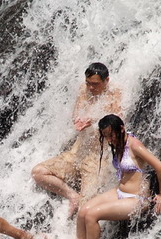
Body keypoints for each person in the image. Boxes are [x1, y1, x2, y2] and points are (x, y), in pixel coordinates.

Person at [73, 114, 161, 239]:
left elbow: (160, 168)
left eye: (112, 135)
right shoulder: (117, 143)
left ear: (122, 129)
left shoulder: (135, 146)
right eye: (106, 136)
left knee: (92, 215)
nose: (110, 139)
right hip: (119, 191)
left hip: (136, 199)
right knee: (83, 210)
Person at [31, 62, 123, 216]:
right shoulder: (84, 89)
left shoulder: (115, 93)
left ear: (106, 80)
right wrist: (78, 120)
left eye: (95, 84)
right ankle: (72, 195)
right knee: (38, 172)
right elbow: (76, 113)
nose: (91, 88)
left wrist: (93, 120)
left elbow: (118, 120)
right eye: (88, 83)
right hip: (77, 153)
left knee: (85, 207)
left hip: (96, 160)